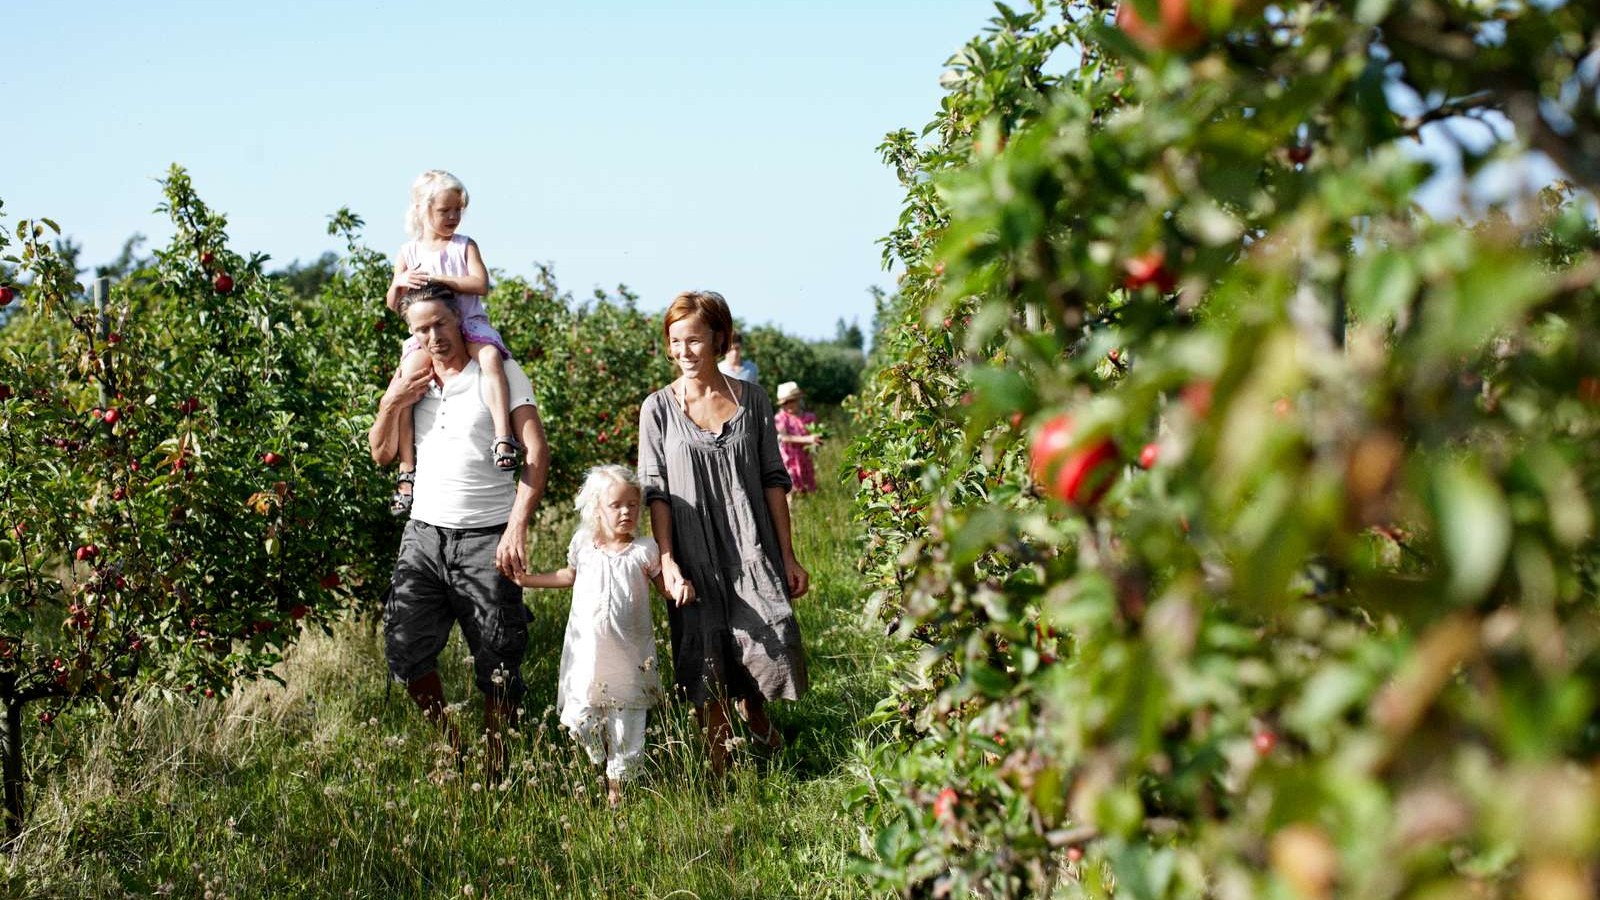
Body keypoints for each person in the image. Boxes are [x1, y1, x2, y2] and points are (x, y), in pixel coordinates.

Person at [368, 282, 550, 780]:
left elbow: (536, 452)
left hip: (487, 535)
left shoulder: (498, 371)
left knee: (499, 658)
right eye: (422, 330)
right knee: (404, 648)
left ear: (459, 320)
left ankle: (497, 764)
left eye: (440, 324)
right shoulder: (412, 376)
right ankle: (452, 746)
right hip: (424, 535)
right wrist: (392, 400)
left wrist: (517, 526)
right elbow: (382, 454)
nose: (434, 338)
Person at [638, 290, 808, 777]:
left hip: (752, 544)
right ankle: (720, 773)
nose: (684, 351)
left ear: (719, 339)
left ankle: (755, 715)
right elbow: (656, 492)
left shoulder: (752, 400)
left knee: (772, 639)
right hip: (693, 552)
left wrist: (788, 556)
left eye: (694, 340)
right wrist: (667, 561)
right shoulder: (657, 409)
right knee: (704, 655)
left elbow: (774, 480)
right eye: (675, 341)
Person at [515, 465, 664, 808]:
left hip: (630, 658)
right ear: (597, 509)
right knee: (582, 717)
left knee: (627, 723)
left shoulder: (644, 550)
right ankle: (601, 755)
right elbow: (568, 576)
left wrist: (682, 584)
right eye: (616, 505)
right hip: (587, 654)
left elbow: (665, 587)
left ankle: (617, 788)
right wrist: (527, 580)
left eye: (632, 505)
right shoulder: (583, 544)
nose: (626, 512)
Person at [384, 169, 521, 517]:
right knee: (407, 383)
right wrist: (399, 281)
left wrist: (440, 279)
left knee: (490, 358)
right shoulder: (408, 251)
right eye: (445, 210)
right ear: (422, 209)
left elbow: (481, 284)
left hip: (469, 323)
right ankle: (407, 469)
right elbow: (393, 304)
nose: (453, 217)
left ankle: (502, 437)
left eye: (458, 210)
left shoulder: (464, 245)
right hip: (429, 334)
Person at [773, 381, 822, 508]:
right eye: (785, 403)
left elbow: (815, 435)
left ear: (798, 400)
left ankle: (808, 512)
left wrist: (817, 440)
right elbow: (784, 437)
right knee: (791, 488)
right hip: (789, 459)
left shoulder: (809, 417)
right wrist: (807, 439)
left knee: (806, 487)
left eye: (792, 401)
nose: (789, 405)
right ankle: (791, 514)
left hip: (805, 459)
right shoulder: (781, 418)